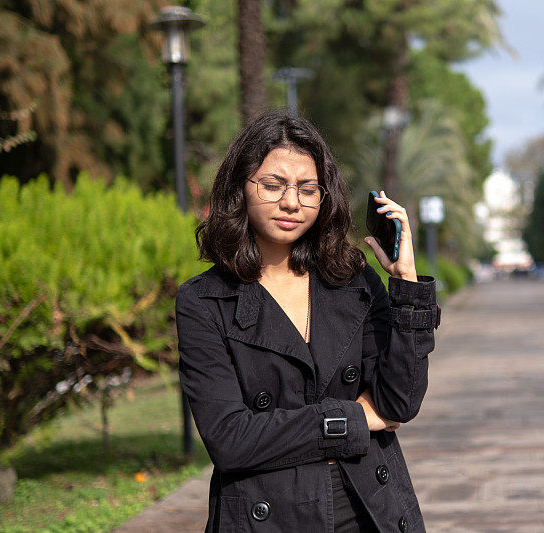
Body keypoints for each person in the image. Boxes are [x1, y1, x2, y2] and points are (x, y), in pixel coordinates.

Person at [175, 110, 439, 532]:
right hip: (267, 518)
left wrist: (405, 282)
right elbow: (229, 439)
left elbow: (398, 403)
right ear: (240, 188)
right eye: (273, 185)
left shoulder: (350, 278)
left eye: (307, 188)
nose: (292, 203)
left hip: (371, 509)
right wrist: (352, 419)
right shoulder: (204, 301)